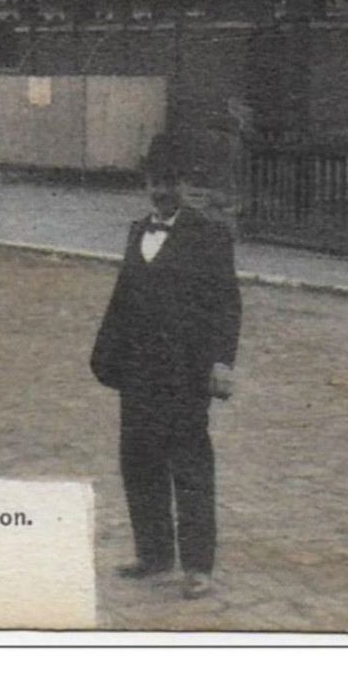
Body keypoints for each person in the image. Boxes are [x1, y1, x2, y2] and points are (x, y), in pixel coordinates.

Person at [90, 133, 241, 600]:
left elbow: (227, 304)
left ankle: (198, 566)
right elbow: (123, 297)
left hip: (185, 371)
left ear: (184, 184)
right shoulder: (137, 231)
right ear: (146, 184)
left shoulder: (209, 234)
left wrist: (221, 361)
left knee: (190, 466)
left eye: (170, 182)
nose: (162, 192)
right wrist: (107, 357)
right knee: (139, 460)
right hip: (138, 371)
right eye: (155, 183)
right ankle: (154, 555)